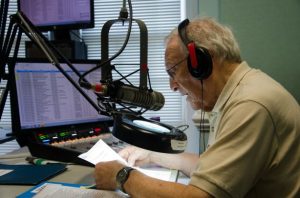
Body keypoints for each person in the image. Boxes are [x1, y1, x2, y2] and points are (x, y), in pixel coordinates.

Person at [94, 17, 300, 197]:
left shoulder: (250, 106)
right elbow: (214, 173)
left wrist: (121, 176)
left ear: (200, 63)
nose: (172, 86)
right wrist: (152, 155)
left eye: (173, 72)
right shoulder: (241, 92)